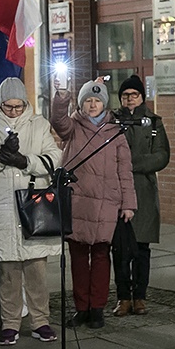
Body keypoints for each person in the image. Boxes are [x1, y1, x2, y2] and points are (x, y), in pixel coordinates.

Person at [0, 77, 62, 345]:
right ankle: (9, 323)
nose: (14, 111)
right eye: (9, 107)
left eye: (18, 106)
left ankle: (40, 321)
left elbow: (54, 159)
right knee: (8, 272)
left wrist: (25, 161)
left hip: (33, 205)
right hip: (3, 207)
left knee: (36, 270)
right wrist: (0, 156)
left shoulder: (39, 124)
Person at [51, 78, 136, 329]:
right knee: (78, 257)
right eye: (88, 100)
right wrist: (62, 95)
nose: (92, 105)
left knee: (101, 256)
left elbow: (125, 170)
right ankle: (81, 308)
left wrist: (128, 204)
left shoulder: (116, 132)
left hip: (107, 203)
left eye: (97, 100)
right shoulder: (73, 127)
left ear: (104, 104)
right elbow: (58, 121)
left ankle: (97, 308)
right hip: (78, 202)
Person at [111, 75, 170, 317]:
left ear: (141, 97)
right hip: (118, 192)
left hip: (143, 190)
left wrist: (131, 164)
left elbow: (162, 155)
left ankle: (140, 297)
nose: (129, 99)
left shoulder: (154, 123)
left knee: (142, 249)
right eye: (125, 95)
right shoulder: (112, 121)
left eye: (134, 95)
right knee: (120, 249)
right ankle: (123, 297)